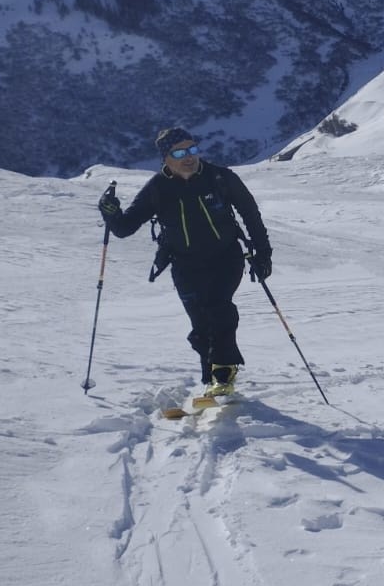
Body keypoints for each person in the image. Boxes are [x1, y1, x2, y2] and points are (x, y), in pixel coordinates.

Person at [97, 127, 273, 400]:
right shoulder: (157, 189)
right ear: (166, 157)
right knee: (201, 325)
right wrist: (110, 212)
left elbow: (251, 214)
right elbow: (124, 228)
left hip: (227, 257)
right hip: (184, 265)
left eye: (192, 149)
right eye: (180, 152)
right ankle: (212, 382)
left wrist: (263, 254)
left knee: (219, 309)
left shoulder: (220, 178)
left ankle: (223, 375)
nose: (189, 156)